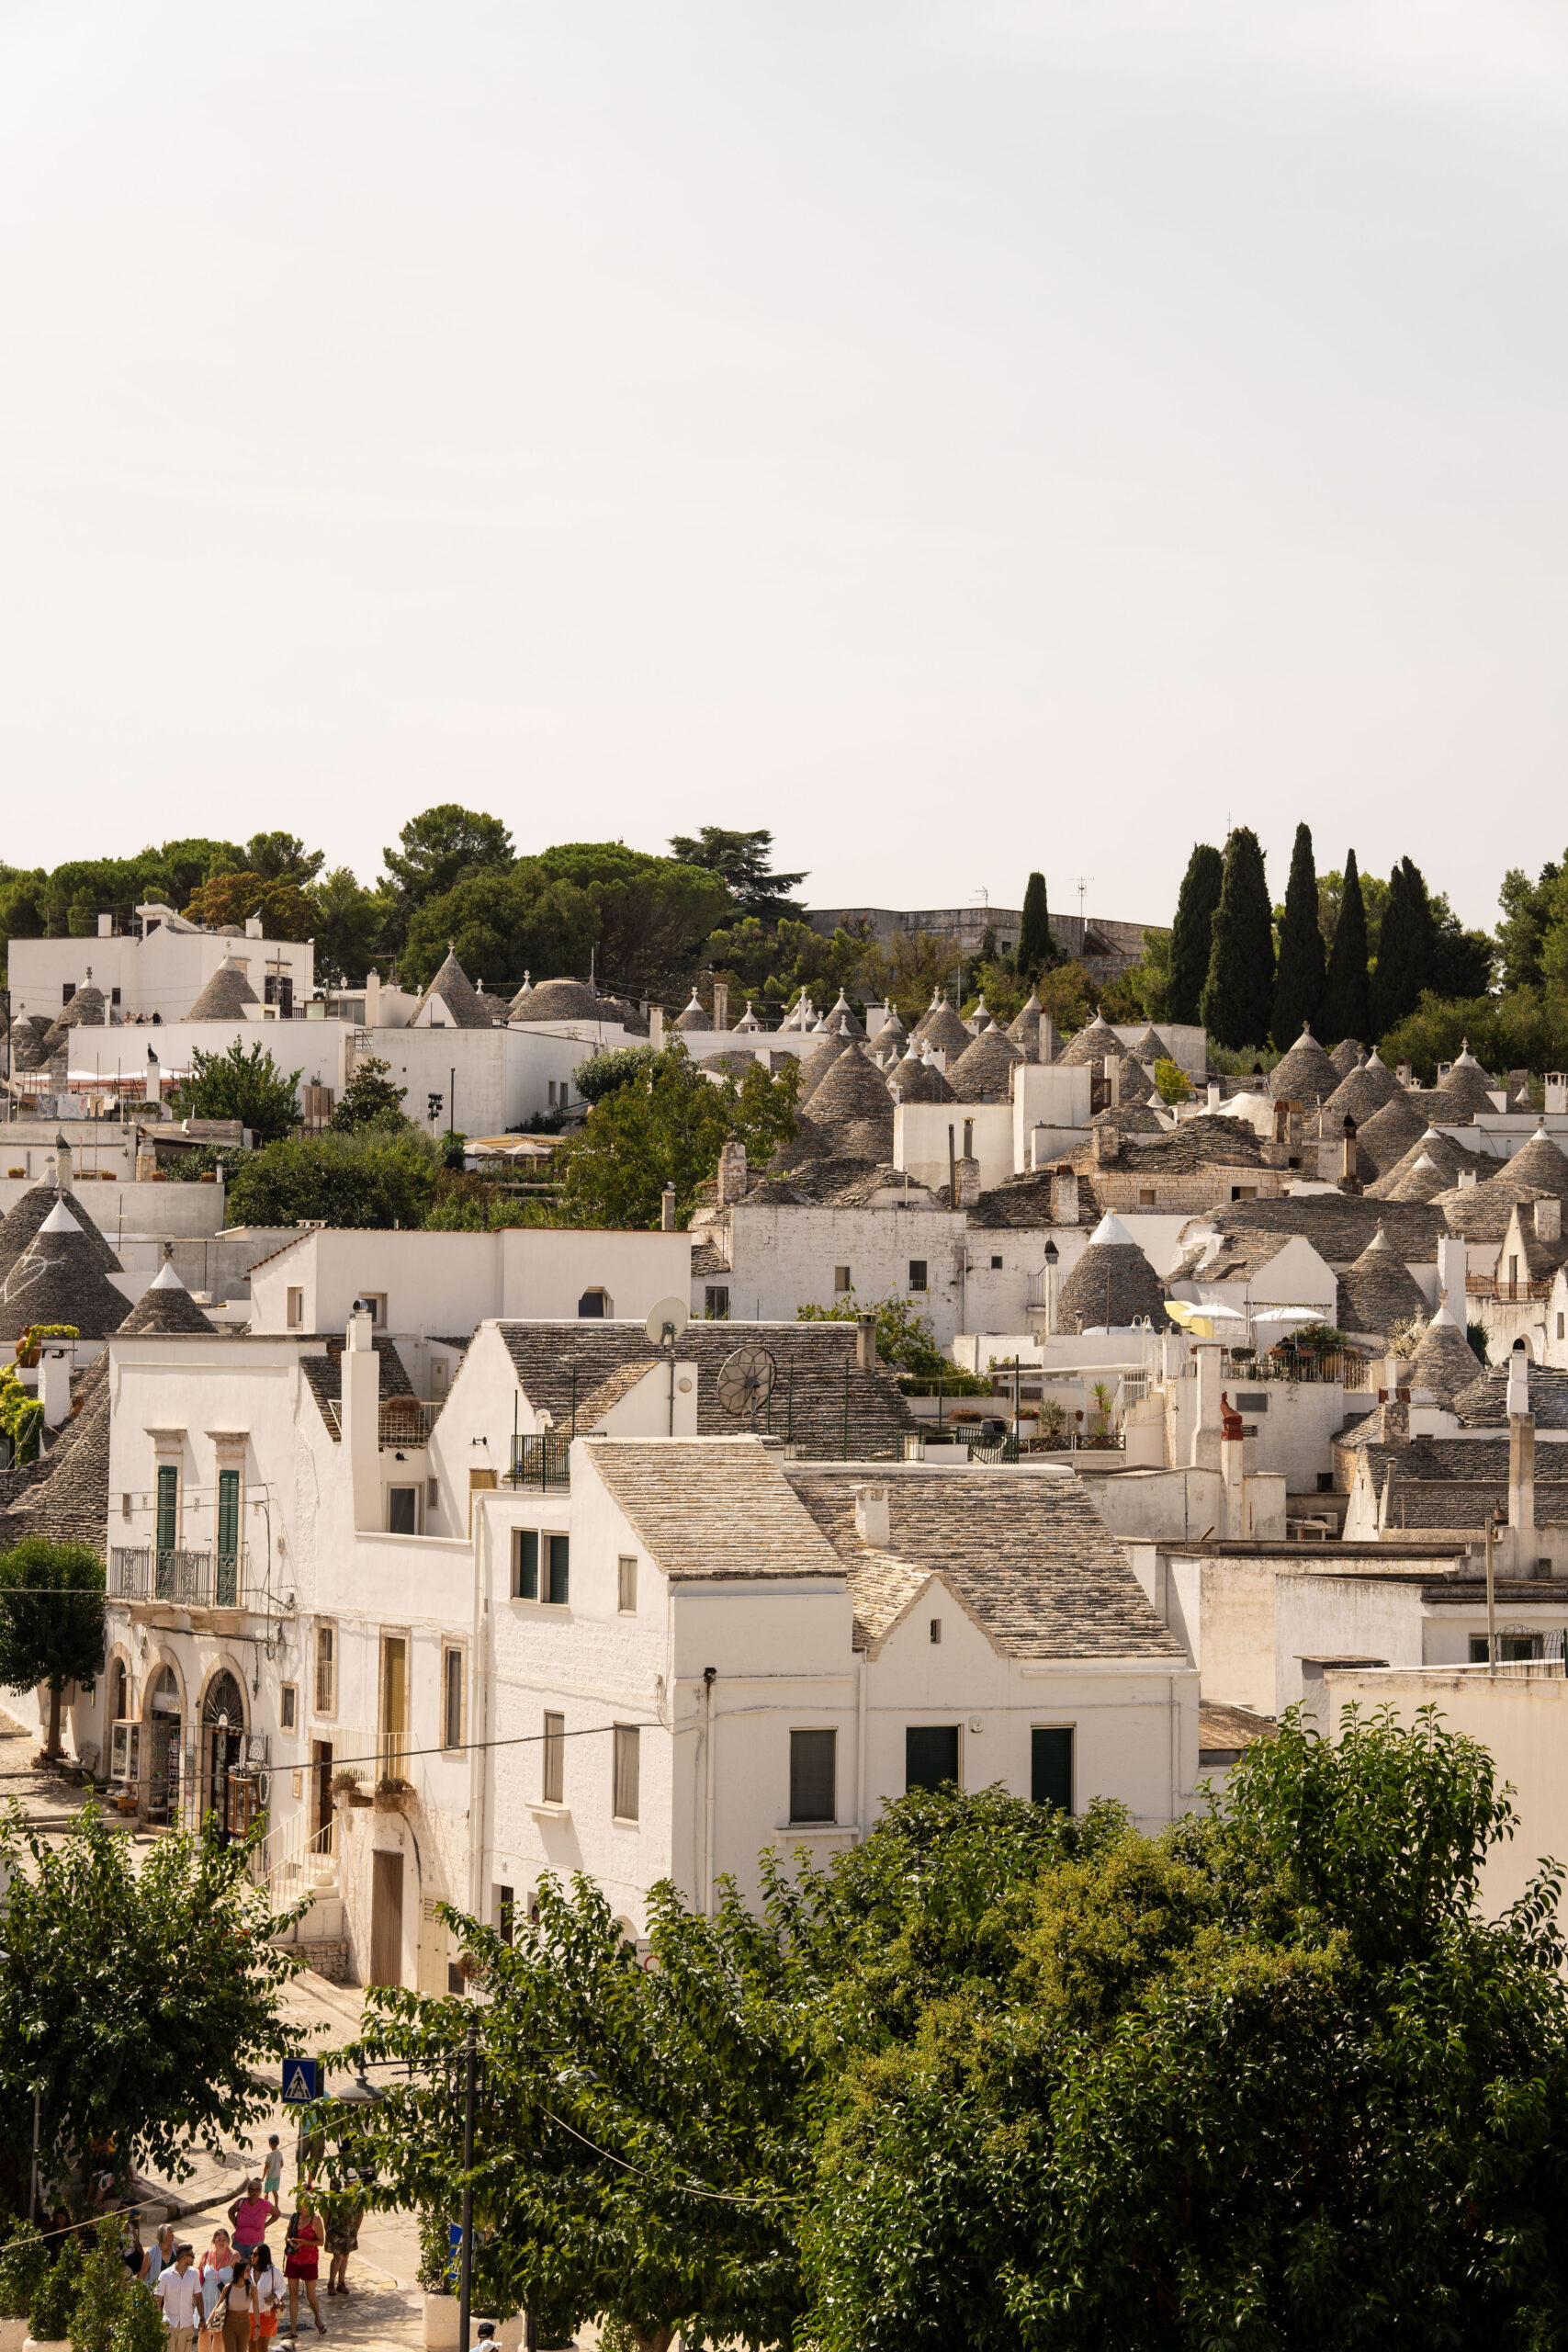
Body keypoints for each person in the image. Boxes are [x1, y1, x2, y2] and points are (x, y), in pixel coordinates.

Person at [283, 2197, 324, 2337]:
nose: (301, 2208)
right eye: (299, 2204)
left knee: (310, 2295)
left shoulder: (316, 2219)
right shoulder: (295, 2218)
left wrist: (305, 2243)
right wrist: (290, 2241)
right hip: (293, 2260)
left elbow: (321, 2242)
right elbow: (287, 2235)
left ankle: (317, 2319)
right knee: (293, 2295)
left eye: (304, 2205)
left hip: (309, 2261)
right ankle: (293, 2330)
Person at [154, 2244, 203, 2352]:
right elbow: (158, 2300)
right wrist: (156, 2323)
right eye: (192, 2255)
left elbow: (198, 2297)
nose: (194, 2257)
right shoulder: (165, 2275)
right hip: (169, 2325)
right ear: (184, 2258)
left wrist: (202, 2319)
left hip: (187, 2325)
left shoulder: (194, 2274)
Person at [322, 2183, 363, 2298]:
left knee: (345, 2256)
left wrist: (356, 2230)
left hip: (349, 2232)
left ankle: (341, 2282)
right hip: (336, 2232)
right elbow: (326, 2213)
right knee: (338, 2257)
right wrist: (327, 2230)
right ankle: (331, 2282)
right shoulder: (334, 2197)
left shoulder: (357, 2196)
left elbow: (360, 2213)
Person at [197, 2232, 234, 2352]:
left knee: (219, 2334)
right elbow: (199, 2270)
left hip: (222, 2301)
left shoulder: (234, 2256)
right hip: (206, 2298)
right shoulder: (207, 2254)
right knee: (204, 2332)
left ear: (228, 2241)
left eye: (224, 2239)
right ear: (214, 2241)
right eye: (219, 2239)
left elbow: (241, 2276)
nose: (222, 2242)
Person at [212, 2255, 255, 2352]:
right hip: (229, 2324)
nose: (249, 2273)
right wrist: (208, 2321)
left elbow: (256, 2308)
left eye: (250, 2270)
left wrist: (257, 2326)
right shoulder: (228, 2287)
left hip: (244, 2324)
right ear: (240, 2271)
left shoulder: (251, 2288)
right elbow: (218, 2305)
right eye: (247, 2270)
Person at [228, 2182, 277, 2261]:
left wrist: (265, 2225)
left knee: (255, 2268)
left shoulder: (265, 2205)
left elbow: (277, 2214)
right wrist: (235, 2224)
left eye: (257, 2190)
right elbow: (230, 2212)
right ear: (248, 2191)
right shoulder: (241, 2202)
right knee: (238, 2268)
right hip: (239, 2244)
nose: (254, 2192)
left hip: (256, 2245)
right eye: (252, 2189)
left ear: (260, 2191)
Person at [250, 2244, 285, 2345]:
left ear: (263, 2256)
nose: (252, 2256)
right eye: (252, 2253)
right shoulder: (248, 2270)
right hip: (249, 2314)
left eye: (255, 2254)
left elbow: (282, 2287)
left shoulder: (274, 2271)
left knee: (262, 2347)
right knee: (251, 2347)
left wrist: (272, 2296)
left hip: (267, 2314)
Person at [147, 2222, 177, 2286]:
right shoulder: (151, 2253)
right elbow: (143, 2274)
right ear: (163, 2235)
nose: (173, 2235)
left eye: (173, 2232)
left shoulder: (176, 2248)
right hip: (157, 2290)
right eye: (170, 2233)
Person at [261, 2136, 285, 2205]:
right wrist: (277, 2169)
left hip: (270, 2176)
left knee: (266, 2192)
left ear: (270, 2144)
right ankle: (276, 2206)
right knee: (275, 2191)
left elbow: (266, 2167)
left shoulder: (269, 2155)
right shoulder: (280, 2154)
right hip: (277, 2176)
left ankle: (265, 2207)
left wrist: (263, 2177)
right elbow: (282, 2164)